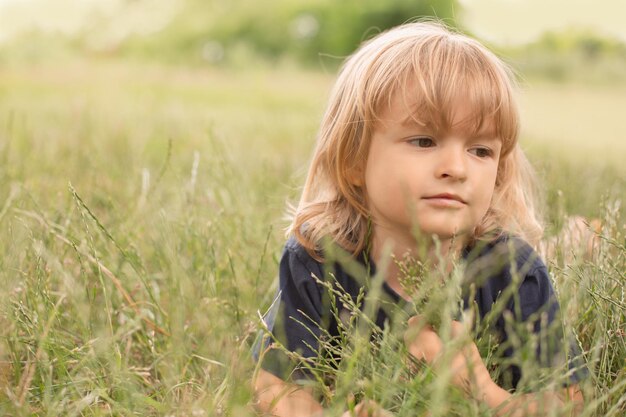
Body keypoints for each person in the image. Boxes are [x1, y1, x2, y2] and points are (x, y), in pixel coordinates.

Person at [253, 21, 587, 416]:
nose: (456, 168)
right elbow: (276, 380)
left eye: (480, 150)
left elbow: (569, 401)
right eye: (424, 141)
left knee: (571, 251)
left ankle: (579, 238)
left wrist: (483, 393)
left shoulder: (513, 272)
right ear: (355, 159)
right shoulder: (319, 260)